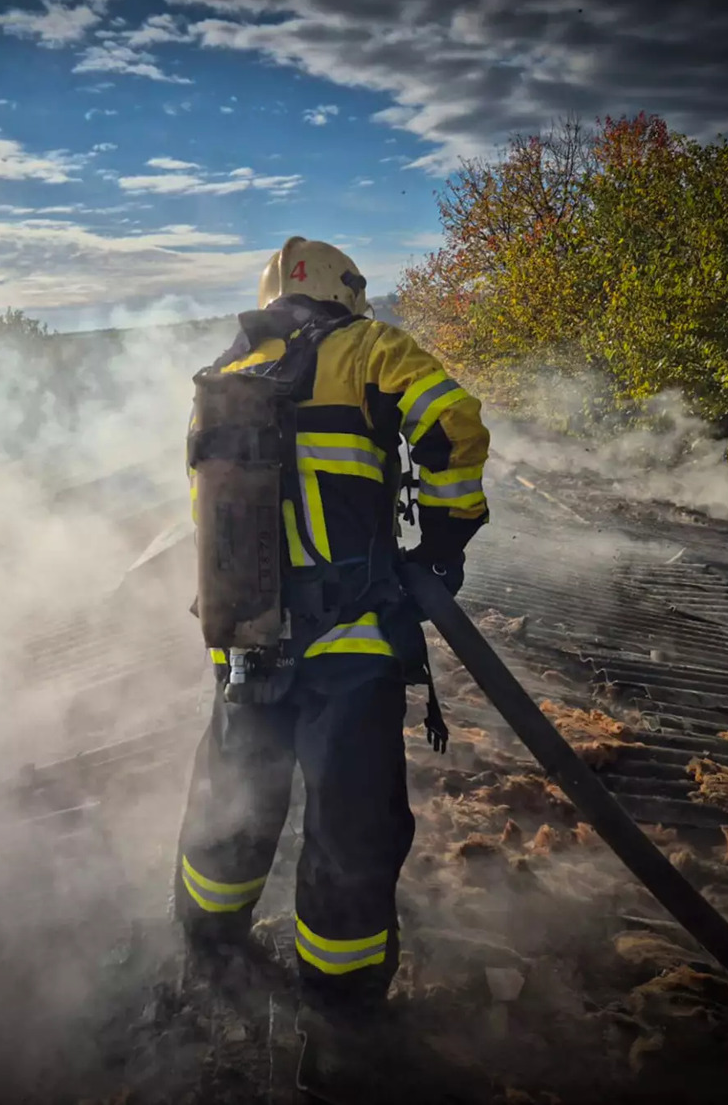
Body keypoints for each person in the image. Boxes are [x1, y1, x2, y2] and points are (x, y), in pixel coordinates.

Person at [175, 236, 491, 1021]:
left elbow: (205, 514)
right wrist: (446, 539)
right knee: (350, 817)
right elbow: (453, 423)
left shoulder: (222, 375)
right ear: (345, 290)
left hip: (242, 636)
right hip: (347, 644)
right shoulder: (368, 347)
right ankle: (340, 988)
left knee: (233, 794)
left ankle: (207, 930)